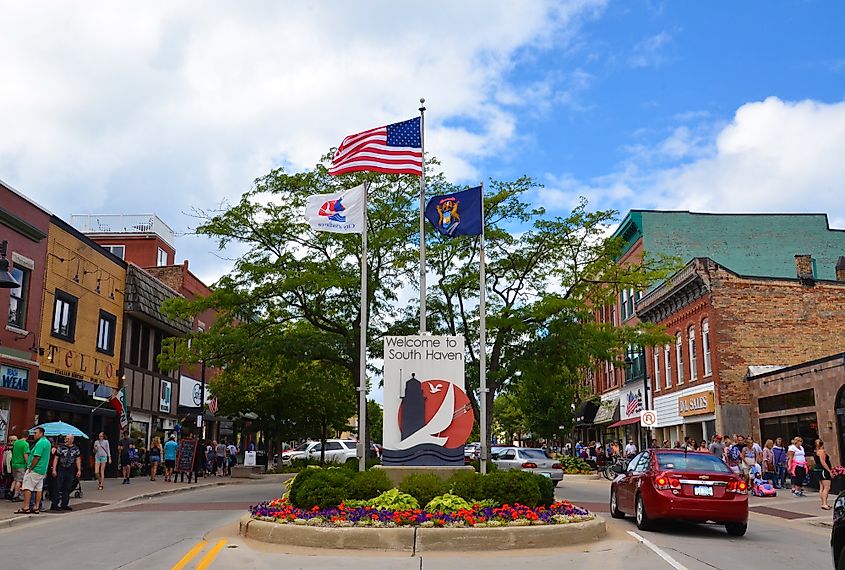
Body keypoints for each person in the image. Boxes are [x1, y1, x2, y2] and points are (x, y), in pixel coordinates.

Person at [16, 426, 50, 514]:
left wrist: (30, 467)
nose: (34, 435)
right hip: (42, 470)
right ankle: (36, 507)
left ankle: (26, 507)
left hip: (35, 469)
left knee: (27, 487)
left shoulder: (40, 443)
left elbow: (37, 457)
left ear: (41, 433)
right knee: (38, 488)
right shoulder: (47, 442)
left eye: (35, 433)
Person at [51, 434, 81, 512]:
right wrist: (54, 469)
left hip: (70, 470)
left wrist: (79, 470)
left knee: (67, 487)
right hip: (61, 469)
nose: (66, 440)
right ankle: (54, 504)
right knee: (58, 486)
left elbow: (78, 459)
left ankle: (65, 504)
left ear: (72, 440)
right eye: (66, 438)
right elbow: (56, 458)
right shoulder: (61, 447)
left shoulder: (76, 449)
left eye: (68, 438)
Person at [9, 431, 30, 502]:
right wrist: (28, 464)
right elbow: (25, 455)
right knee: (19, 481)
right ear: (28, 436)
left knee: (15, 479)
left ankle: (11, 491)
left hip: (14, 463)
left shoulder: (16, 443)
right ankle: (16, 495)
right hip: (21, 464)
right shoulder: (25, 444)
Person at [814, 439, 834, 510]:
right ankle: (824, 503)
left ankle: (823, 503)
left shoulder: (816, 451)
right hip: (823, 470)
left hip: (818, 470)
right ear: (822, 444)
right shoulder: (822, 451)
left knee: (822, 487)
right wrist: (829, 471)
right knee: (827, 487)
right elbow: (823, 462)